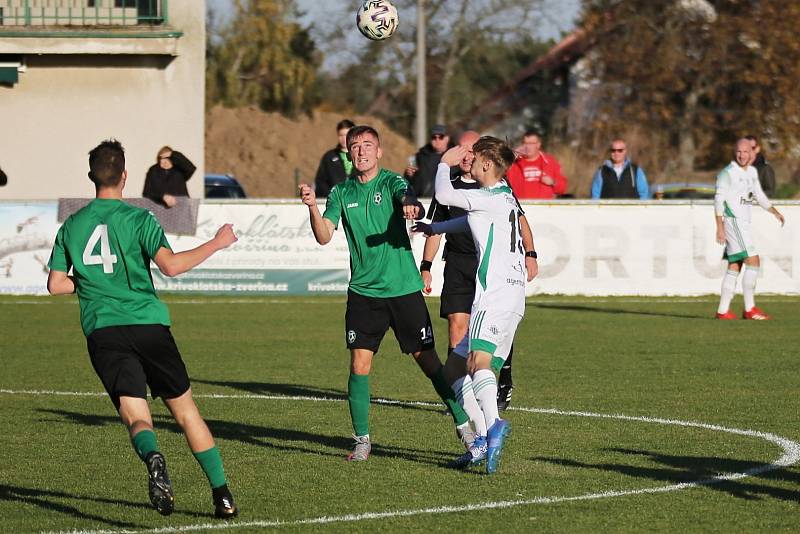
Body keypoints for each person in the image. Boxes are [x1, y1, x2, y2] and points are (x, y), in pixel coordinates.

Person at [47, 140, 239, 518]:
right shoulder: (139, 219)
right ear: (125, 175)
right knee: (187, 415)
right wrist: (217, 243)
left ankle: (153, 456)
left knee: (136, 418)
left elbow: (56, 284)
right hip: (149, 325)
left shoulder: (72, 225)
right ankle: (223, 496)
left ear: (91, 177)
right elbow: (170, 266)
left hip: (104, 332)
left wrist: (90, 282)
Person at [298, 125, 472, 461]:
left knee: (429, 361)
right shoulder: (339, 193)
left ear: (378, 152)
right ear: (349, 154)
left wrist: (410, 205)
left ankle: (463, 424)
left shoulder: (392, 181)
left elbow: (408, 197)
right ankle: (362, 440)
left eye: (367, 145)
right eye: (355, 146)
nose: (361, 151)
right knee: (359, 365)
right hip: (364, 294)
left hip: (403, 289)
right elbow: (323, 236)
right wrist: (312, 208)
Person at [413, 136, 534, 474]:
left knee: (478, 362)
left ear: (485, 164)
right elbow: (470, 221)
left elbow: (444, 195)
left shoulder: (488, 196)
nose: (468, 160)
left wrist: (443, 163)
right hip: (513, 298)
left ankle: (492, 425)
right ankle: (481, 439)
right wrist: (436, 227)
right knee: (453, 369)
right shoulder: (503, 197)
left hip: (493, 296)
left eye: (474, 156)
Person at [714, 138, 784, 320]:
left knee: (735, 265)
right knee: (753, 261)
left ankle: (722, 311)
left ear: (752, 153)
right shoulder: (727, 174)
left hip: (743, 223)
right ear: (734, 152)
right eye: (739, 151)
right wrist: (719, 227)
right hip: (733, 222)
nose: (742, 155)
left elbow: (759, 195)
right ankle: (750, 309)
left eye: (746, 151)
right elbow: (718, 201)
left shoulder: (752, 172)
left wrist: (773, 211)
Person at [506, 131, 568, 199]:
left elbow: (563, 188)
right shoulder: (513, 164)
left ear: (538, 144)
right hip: (520, 206)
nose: (527, 147)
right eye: (525, 143)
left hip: (543, 207)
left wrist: (553, 182)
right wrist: (511, 156)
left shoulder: (550, 162)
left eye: (531, 143)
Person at [404, 124, 452, 197]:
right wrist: (408, 175)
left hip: (446, 202)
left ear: (447, 138)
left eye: (441, 137)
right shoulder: (419, 157)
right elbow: (409, 183)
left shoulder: (454, 157)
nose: (437, 140)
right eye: (434, 137)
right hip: (422, 201)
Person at [314, 119, 356, 197]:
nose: (344, 138)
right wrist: (332, 195)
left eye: (347, 135)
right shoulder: (329, 157)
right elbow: (320, 182)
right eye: (341, 135)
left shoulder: (361, 155)